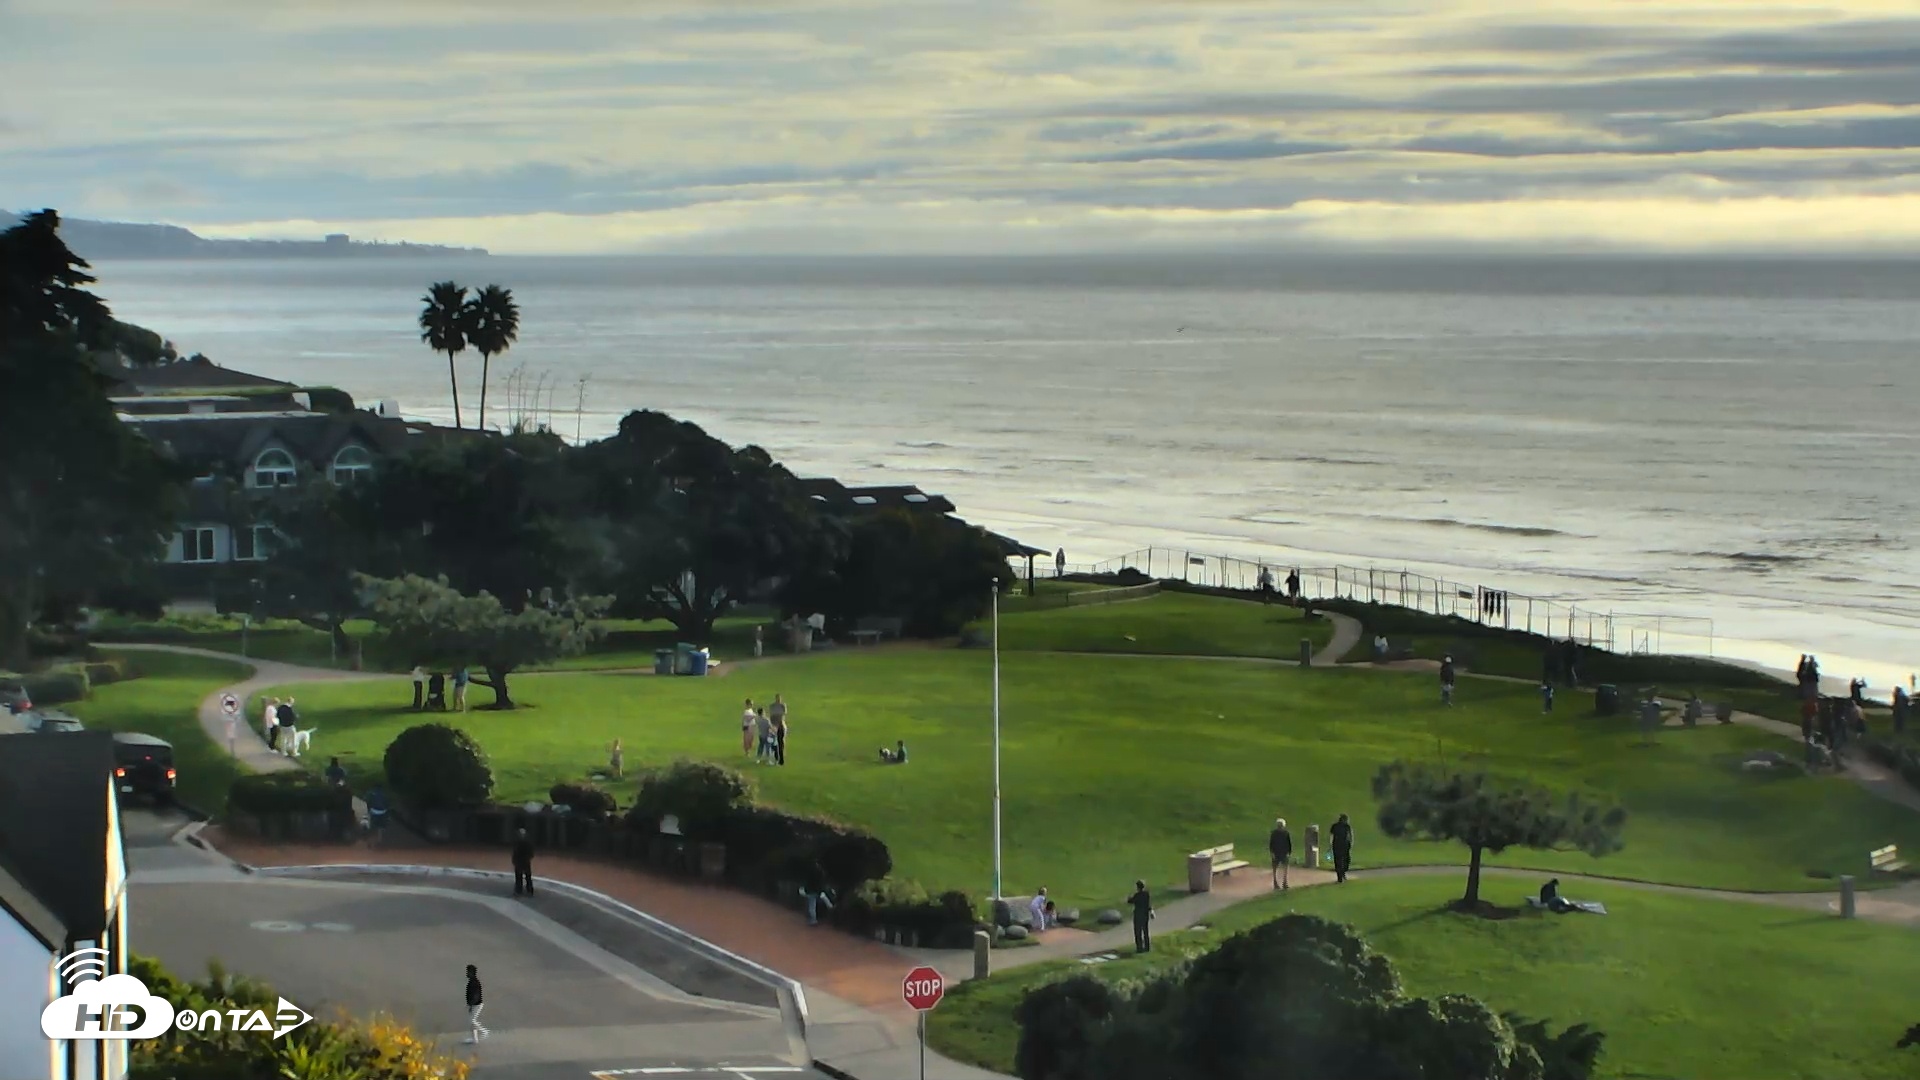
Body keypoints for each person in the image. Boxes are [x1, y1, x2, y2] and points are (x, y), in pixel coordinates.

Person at [464, 964, 489, 1044]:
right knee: (472, 1022)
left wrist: (471, 1004)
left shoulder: (474, 982)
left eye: (468, 972)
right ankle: (475, 1039)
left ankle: (484, 1031)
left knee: (472, 1021)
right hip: (474, 1004)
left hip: (477, 1004)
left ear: (472, 972)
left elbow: (476, 995)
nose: (467, 973)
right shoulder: (472, 981)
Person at [1127, 880, 1154, 953]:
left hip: (1138, 915)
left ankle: (1139, 948)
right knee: (1145, 931)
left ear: (1138, 887)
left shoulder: (1137, 895)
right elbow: (1148, 904)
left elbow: (1130, 901)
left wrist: (1129, 897)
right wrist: (1151, 911)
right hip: (1145, 915)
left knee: (1138, 932)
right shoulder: (1146, 894)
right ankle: (1147, 947)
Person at [1268, 817, 1293, 890]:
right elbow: (1271, 844)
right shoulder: (1274, 833)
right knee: (1275, 869)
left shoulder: (1286, 833)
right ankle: (1275, 882)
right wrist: (1272, 853)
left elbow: (1288, 844)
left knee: (1285, 868)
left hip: (1284, 853)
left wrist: (1288, 852)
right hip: (1276, 853)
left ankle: (1284, 882)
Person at [1330, 813, 1354, 883]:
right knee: (1340, 861)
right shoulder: (1336, 826)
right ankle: (1340, 876)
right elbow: (1331, 836)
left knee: (1343, 860)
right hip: (1340, 845)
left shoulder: (1346, 826)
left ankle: (1342, 873)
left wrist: (1351, 843)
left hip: (1342, 845)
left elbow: (1350, 835)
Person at [511, 827, 535, 896]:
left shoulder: (520, 842)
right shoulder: (526, 841)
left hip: (522, 860)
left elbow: (515, 851)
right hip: (523, 860)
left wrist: (514, 860)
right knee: (524, 876)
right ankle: (527, 890)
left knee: (523, 876)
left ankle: (521, 890)